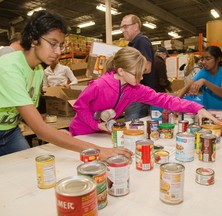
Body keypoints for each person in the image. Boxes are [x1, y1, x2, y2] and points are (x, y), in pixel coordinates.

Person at [0, 10, 132, 161]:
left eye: (61, 45)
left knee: (26, 170)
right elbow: (40, 131)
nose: (58, 51)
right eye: (52, 44)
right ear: (33, 39)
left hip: (10, 132)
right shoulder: (9, 68)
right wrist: (99, 151)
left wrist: (51, 131)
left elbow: (30, 114)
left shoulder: (37, 70)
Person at [69, 47, 220, 136]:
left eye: (142, 73)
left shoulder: (134, 89)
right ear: (121, 71)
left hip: (102, 134)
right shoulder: (99, 85)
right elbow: (79, 106)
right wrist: (95, 125)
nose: (141, 78)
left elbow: (164, 100)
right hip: (82, 132)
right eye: (137, 74)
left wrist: (197, 108)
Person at [177, 46, 222, 118]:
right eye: (203, 59)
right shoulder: (203, 72)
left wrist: (205, 82)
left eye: (208, 59)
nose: (204, 62)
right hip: (207, 116)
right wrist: (173, 104)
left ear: (218, 59)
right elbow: (187, 87)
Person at [120, 14, 155, 121]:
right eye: (122, 27)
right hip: (133, 94)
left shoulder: (141, 41)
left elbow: (147, 67)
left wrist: (125, 74)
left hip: (138, 96)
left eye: (125, 26)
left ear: (136, 26)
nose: (123, 30)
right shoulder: (132, 44)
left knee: (133, 126)